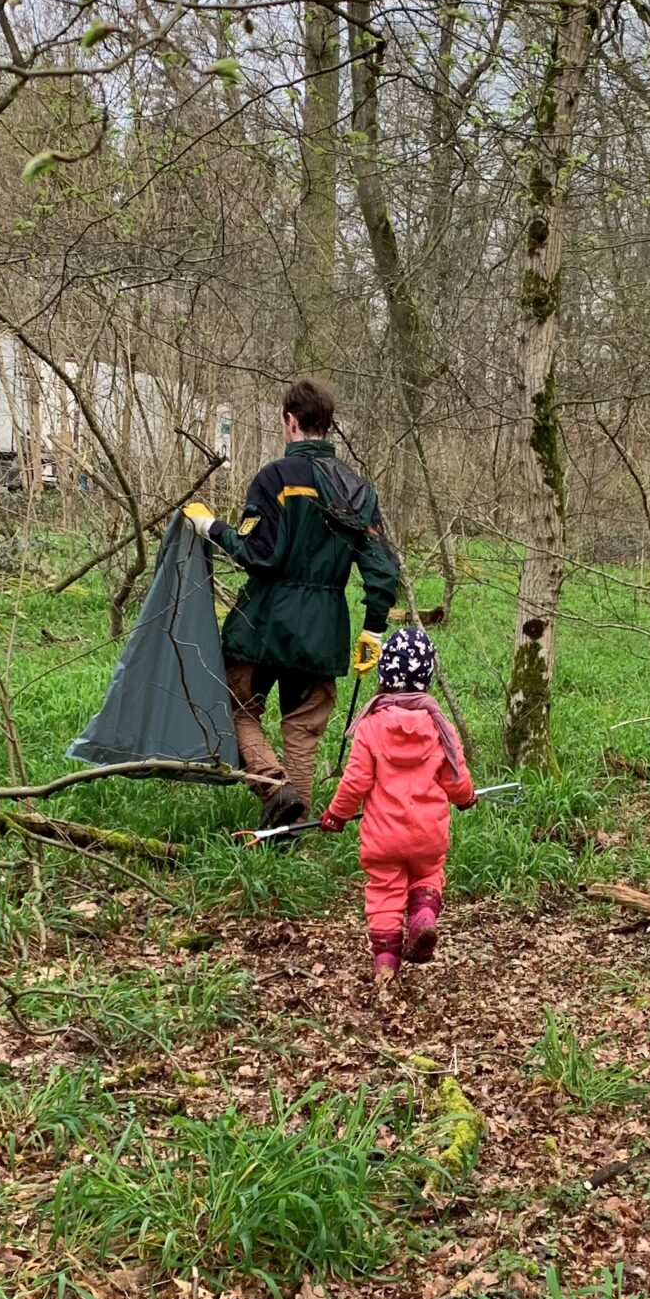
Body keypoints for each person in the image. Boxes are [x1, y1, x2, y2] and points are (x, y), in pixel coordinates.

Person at [183, 376, 399, 827]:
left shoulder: (276, 478)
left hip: (263, 623)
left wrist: (211, 528)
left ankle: (274, 787)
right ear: (328, 425)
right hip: (324, 632)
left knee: (234, 708)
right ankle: (292, 824)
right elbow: (382, 571)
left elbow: (259, 553)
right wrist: (373, 629)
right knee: (302, 728)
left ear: (290, 421)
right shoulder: (358, 489)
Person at [319, 626, 475, 984]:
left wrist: (336, 816)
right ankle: (423, 919)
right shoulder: (440, 726)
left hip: (383, 838)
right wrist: (467, 799)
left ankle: (386, 965)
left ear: (385, 671)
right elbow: (456, 779)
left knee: (384, 892)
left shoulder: (372, 725)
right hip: (428, 833)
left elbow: (355, 781)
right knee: (428, 873)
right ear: (427, 675)